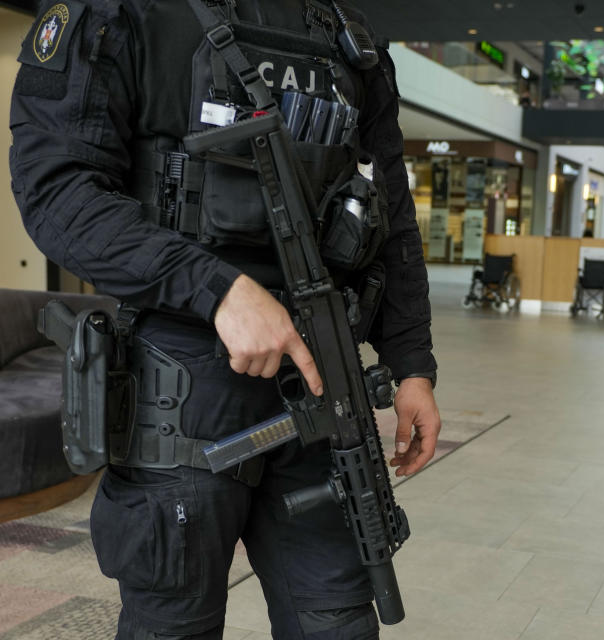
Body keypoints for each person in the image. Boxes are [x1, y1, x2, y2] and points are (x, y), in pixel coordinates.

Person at [10, 1, 441, 638]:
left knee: (338, 621)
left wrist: (412, 365)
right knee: (173, 623)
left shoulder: (347, 34)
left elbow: (390, 214)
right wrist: (219, 290)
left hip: (326, 380)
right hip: (181, 387)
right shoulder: (117, 10)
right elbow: (58, 189)